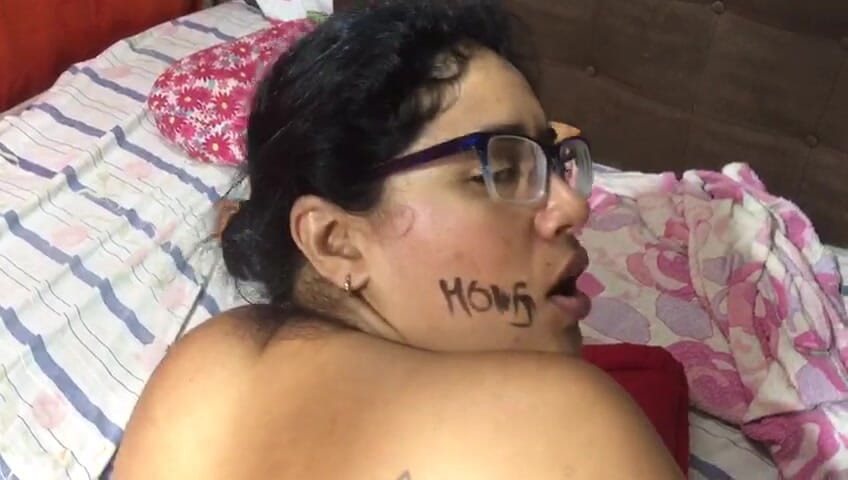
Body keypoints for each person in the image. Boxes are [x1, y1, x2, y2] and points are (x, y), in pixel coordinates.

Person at [114, 1, 684, 478]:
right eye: (500, 170)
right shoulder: (567, 424)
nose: (574, 207)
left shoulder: (201, 364)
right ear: (336, 241)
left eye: (553, 162)